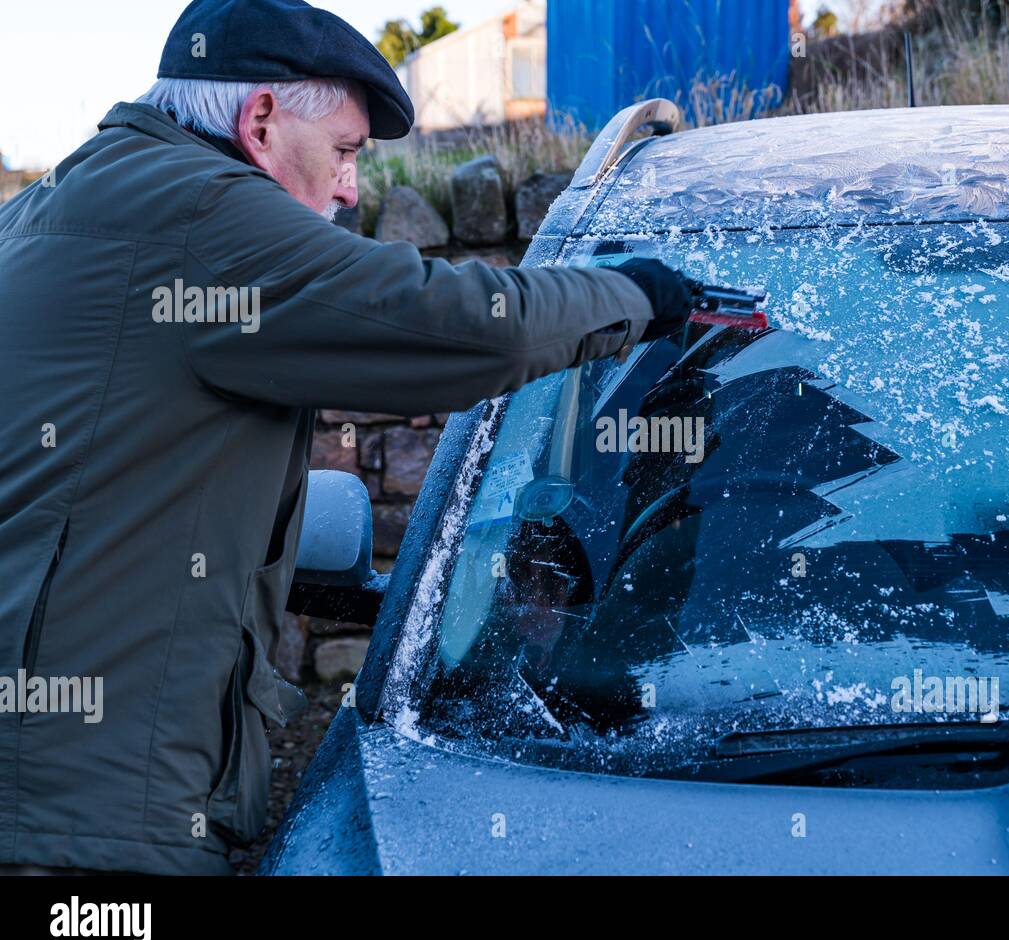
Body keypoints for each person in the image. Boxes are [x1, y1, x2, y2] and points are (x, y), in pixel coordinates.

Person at [0, 0, 690, 874]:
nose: (351, 187)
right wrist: (639, 297)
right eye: (345, 152)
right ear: (260, 121)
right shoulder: (205, 223)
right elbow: (461, 326)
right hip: (88, 830)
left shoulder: (49, 211)